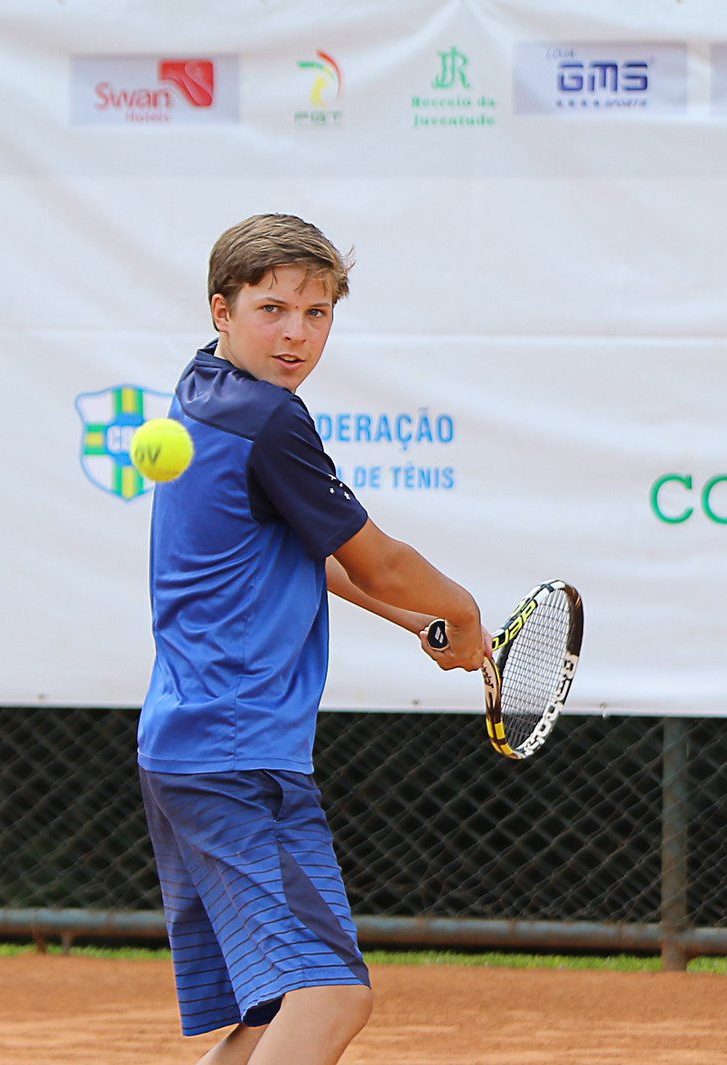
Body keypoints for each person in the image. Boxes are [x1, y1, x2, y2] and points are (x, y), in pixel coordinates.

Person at [138, 213, 489, 1065]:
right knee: (330, 996)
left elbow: (301, 557)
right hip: (238, 753)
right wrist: (464, 612)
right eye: (273, 309)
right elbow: (379, 558)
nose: (297, 334)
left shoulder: (204, 389)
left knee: (269, 1015)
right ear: (222, 310)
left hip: (188, 746)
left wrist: (417, 623)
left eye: (318, 312)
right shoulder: (270, 420)